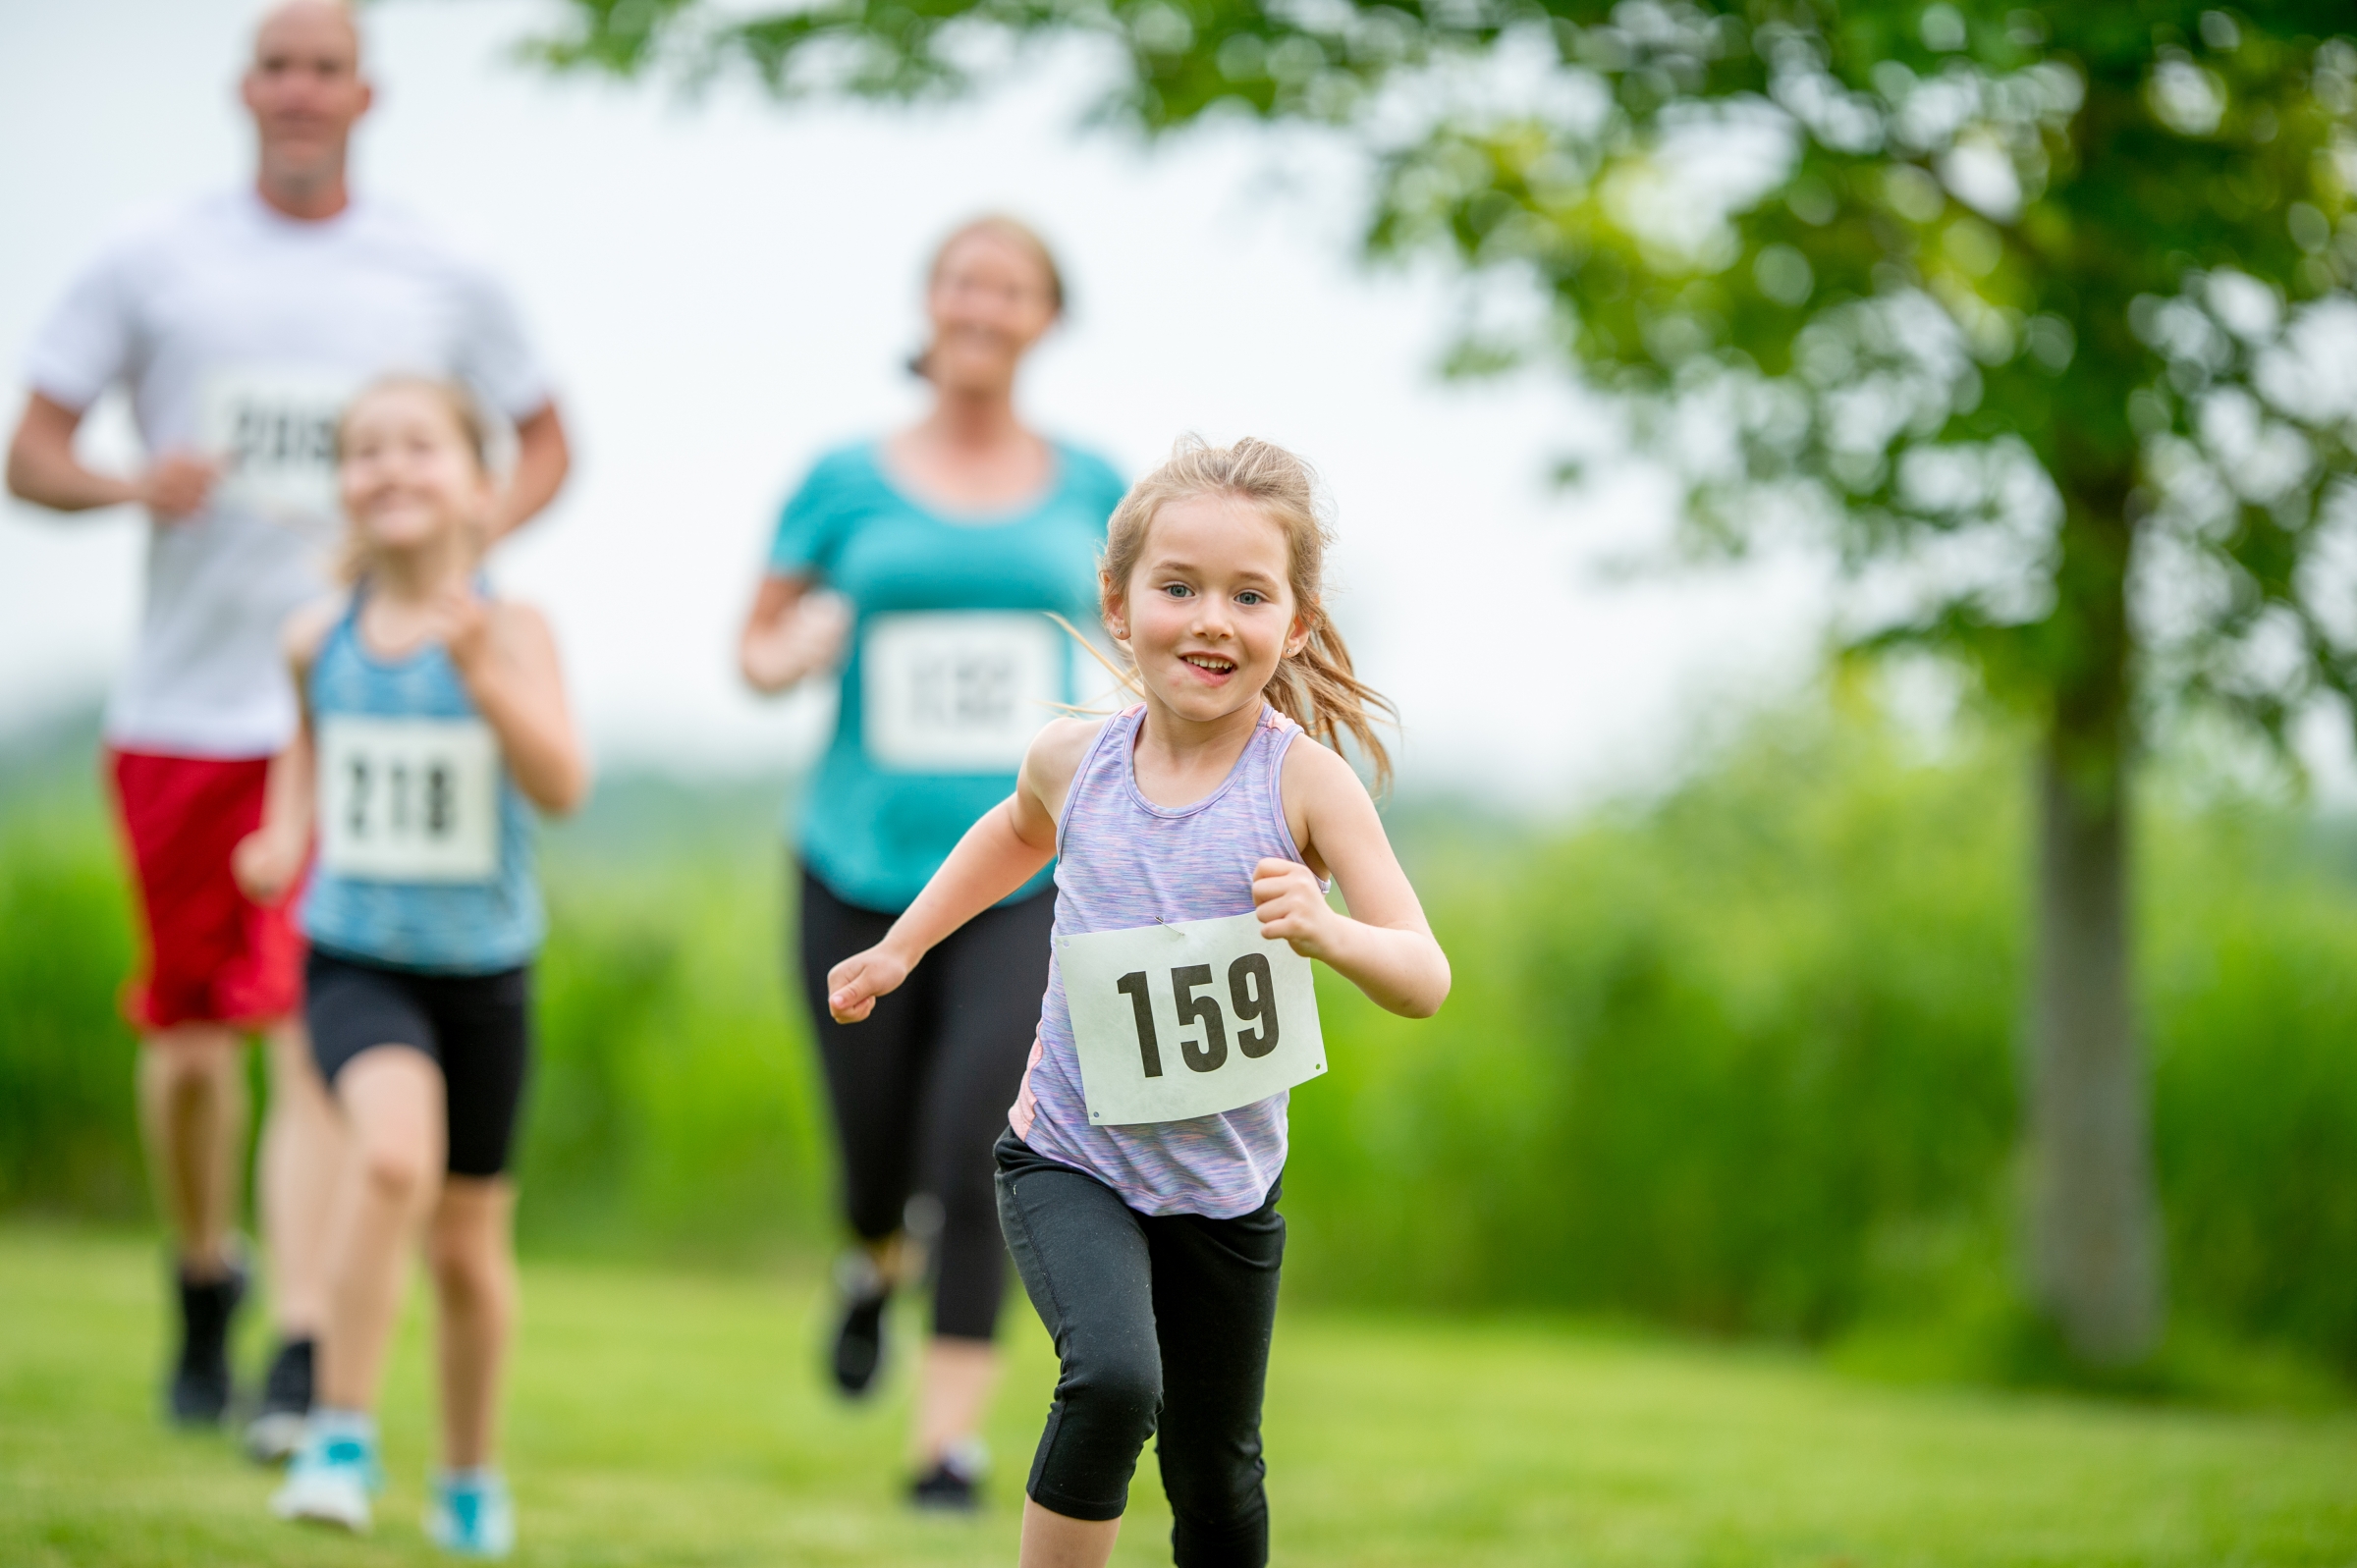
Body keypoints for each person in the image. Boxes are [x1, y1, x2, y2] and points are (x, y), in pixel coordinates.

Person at [2, 0, 569, 1459]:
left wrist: (439, 557)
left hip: (396, 711)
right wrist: (136, 488)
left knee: (314, 1030)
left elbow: (552, 437)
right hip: (195, 701)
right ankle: (206, 1277)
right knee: (195, 1042)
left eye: (328, 66)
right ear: (244, 87)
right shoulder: (151, 253)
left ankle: (307, 1347)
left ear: (365, 94)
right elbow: (35, 452)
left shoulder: (443, 267)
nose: (302, 89)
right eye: (279, 65)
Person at [823, 436, 1452, 1568]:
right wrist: (901, 949)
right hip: (1070, 1156)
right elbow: (1014, 832)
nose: (1212, 618)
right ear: (1119, 606)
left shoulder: (1303, 781)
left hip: (1222, 1190)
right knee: (1113, 1379)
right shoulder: (1077, 762)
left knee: (1216, 1473)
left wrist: (1327, 930)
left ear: (1295, 624)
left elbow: (1423, 972)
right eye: (1180, 588)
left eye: (1249, 595)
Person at [738, 215, 1126, 1508]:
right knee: (876, 1153)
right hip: (856, 862)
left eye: (1010, 287)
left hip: (1023, 874)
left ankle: (945, 1443)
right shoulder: (842, 478)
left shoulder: (1091, 488)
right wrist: (789, 654)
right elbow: (756, 642)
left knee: (980, 1141)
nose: (982, 303)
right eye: (963, 280)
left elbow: (1150, 633)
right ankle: (867, 1261)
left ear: (1043, 318)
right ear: (930, 303)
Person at [231, 375, 586, 1555]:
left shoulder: (513, 626)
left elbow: (562, 786)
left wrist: (484, 672)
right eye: (365, 450)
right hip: (354, 958)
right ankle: (338, 1434)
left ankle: (471, 1479)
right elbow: (307, 744)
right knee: (390, 1155)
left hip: (485, 974)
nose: (389, 468)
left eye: (418, 447)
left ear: (480, 486)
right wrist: (286, 833)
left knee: (471, 1251)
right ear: (341, 484)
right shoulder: (313, 636)